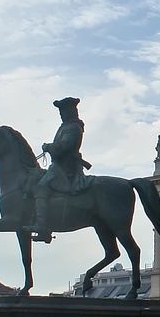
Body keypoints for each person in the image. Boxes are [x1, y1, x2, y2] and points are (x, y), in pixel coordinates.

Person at [28, 97, 92, 242]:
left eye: (63, 112)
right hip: (59, 165)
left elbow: (65, 145)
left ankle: (42, 227)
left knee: (40, 187)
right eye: (61, 112)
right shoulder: (66, 126)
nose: (62, 115)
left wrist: (49, 147)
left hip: (64, 167)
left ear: (71, 111)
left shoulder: (73, 127)